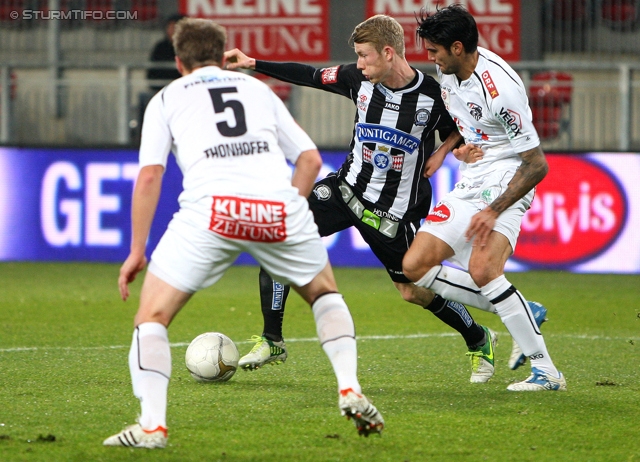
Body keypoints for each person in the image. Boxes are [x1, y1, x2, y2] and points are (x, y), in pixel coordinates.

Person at [103, 18, 384, 449]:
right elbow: (309, 160)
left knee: (152, 318)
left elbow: (149, 177)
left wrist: (137, 250)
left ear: (179, 62)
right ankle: (349, 388)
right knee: (325, 294)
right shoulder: (258, 90)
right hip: (277, 208)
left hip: (210, 213)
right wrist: (288, 209)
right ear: (222, 56)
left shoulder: (165, 98)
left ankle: (152, 427)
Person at [224, 14, 500, 385]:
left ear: (388, 53)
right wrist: (255, 64)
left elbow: (461, 128)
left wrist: (445, 149)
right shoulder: (357, 81)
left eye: (364, 56)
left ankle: (479, 337)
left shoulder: (434, 95)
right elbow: (309, 74)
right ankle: (272, 339)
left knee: (412, 291)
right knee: (279, 235)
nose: (358, 64)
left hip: (392, 211)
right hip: (345, 190)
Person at [403, 4, 566, 391]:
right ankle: (522, 309)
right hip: (473, 174)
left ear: (457, 47)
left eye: (434, 52)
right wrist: (448, 150)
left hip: (510, 174)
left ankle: (547, 373)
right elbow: (469, 123)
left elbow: (537, 164)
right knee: (415, 266)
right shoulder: (449, 75)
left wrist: (493, 211)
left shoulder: (502, 89)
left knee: (483, 269)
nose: (430, 59)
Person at [147, 14, 185, 93]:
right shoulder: (160, 47)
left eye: (174, 28)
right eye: (169, 27)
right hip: (161, 89)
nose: (171, 31)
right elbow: (152, 72)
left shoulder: (189, 47)